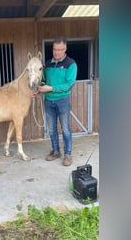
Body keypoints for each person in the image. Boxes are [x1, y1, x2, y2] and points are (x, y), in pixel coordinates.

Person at [35, 37, 77, 166]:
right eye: (54, 49)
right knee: (52, 129)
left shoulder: (71, 64)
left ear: (65, 49)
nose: (56, 52)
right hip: (49, 101)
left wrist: (51, 88)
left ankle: (68, 154)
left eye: (59, 50)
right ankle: (55, 151)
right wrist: (38, 91)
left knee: (65, 128)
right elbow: (44, 81)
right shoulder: (47, 64)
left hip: (63, 100)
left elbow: (69, 84)